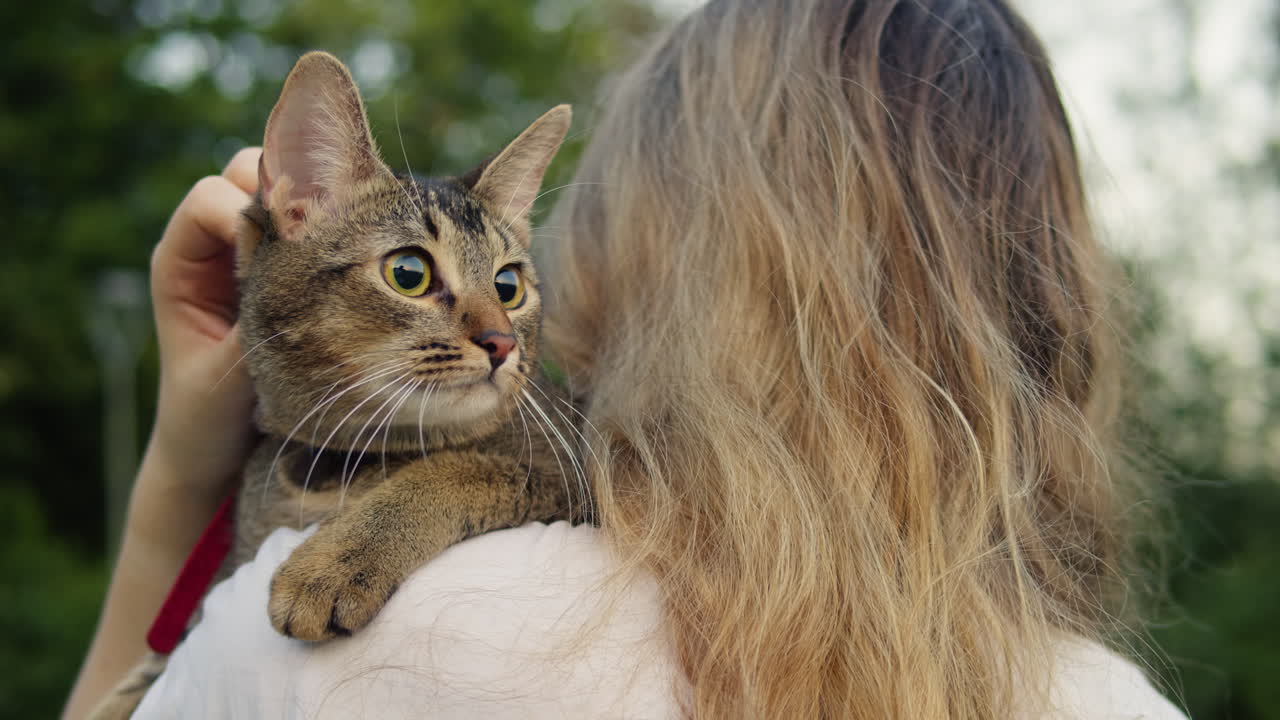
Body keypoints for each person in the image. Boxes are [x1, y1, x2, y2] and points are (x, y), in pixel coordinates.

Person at [65, 0, 1190, 717]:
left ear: (626, 258)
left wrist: (172, 485)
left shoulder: (328, 646)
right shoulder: (1116, 704)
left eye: (509, 285)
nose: (496, 330)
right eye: (418, 277)